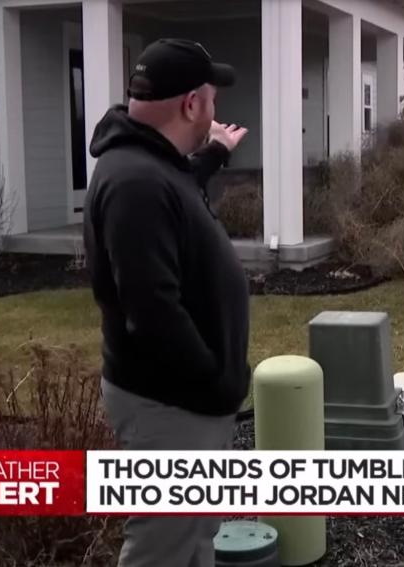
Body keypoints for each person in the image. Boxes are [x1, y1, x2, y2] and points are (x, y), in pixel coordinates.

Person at [82, 38, 250, 567]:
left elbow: (176, 186)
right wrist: (215, 380)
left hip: (183, 397)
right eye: (211, 98)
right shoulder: (135, 183)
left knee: (194, 536)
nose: (215, 108)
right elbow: (152, 311)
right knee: (164, 547)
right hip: (171, 401)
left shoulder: (150, 164)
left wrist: (213, 154)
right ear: (191, 105)